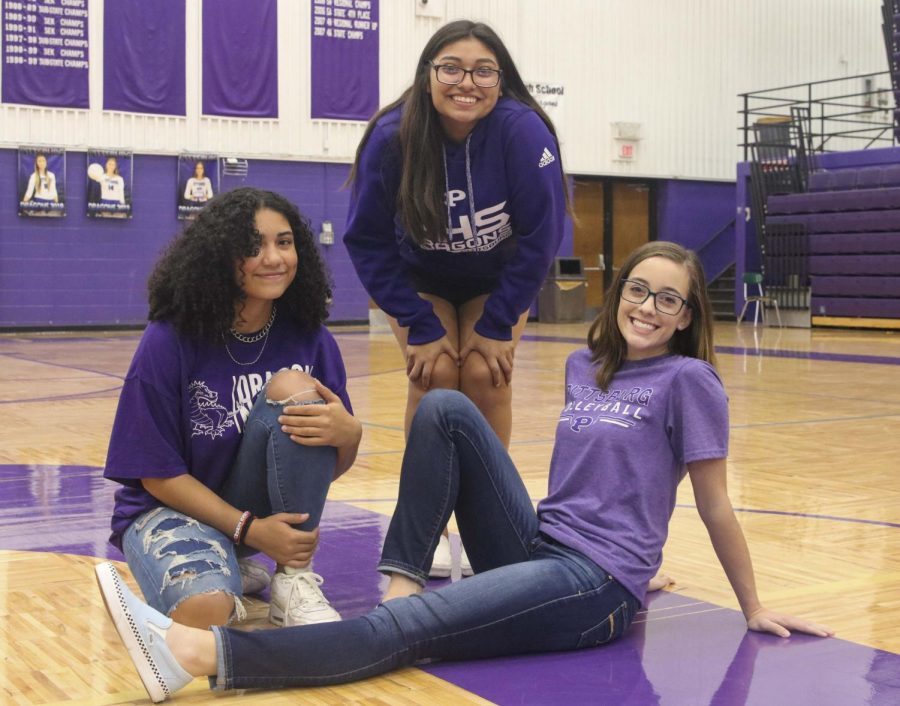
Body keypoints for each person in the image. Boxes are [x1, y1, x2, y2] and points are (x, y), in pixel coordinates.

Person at [94, 241, 833, 703]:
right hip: (543, 545)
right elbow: (611, 487)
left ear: (685, 316)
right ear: (619, 295)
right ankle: (403, 572)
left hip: (592, 584)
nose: (648, 305)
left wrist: (749, 604)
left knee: (411, 631)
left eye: (668, 298)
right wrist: (648, 556)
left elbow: (713, 506)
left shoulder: (690, 382)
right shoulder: (588, 366)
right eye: (638, 288)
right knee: (444, 406)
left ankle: (201, 654)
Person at [344, 20, 569, 575]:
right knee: (437, 373)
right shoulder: (392, 136)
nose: (467, 82)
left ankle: (491, 523)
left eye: (483, 71)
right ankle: (425, 529)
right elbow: (366, 238)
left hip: (498, 277)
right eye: (451, 68)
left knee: (486, 376)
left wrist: (497, 323)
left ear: (500, 79)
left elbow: (542, 235)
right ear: (427, 76)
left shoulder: (523, 131)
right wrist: (418, 323)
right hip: (422, 276)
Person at [102, 187, 362, 633]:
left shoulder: (310, 337)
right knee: (205, 613)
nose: (273, 258)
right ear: (220, 257)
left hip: (246, 512)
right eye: (252, 246)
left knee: (294, 388)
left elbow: (312, 468)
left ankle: (292, 583)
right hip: (167, 508)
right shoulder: (171, 338)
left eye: (283, 242)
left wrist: (351, 436)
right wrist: (249, 531)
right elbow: (156, 473)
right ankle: (216, 566)